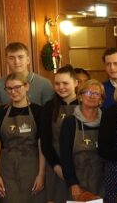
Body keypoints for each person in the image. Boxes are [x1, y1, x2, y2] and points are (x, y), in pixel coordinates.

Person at [0, 72, 47, 203]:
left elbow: (42, 144)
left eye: (17, 87)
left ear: (26, 86)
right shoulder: (0, 112)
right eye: (9, 88)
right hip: (7, 170)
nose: (13, 92)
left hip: (32, 168)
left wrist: (41, 174)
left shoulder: (39, 112)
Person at [59, 79, 104, 201]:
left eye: (96, 94)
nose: (91, 96)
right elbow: (65, 156)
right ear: (80, 97)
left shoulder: (107, 122)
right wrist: (73, 184)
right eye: (87, 92)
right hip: (78, 181)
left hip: (102, 181)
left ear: (101, 100)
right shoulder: (70, 122)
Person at [41, 65, 80, 203]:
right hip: (56, 166)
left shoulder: (86, 104)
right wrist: (57, 167)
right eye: (57, 84)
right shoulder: (49, 107)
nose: (61, 87)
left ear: (76, 83)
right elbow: (45, 142)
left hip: (82, 165)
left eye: (65, 83)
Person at [0, 42, 54, 107]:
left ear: (28, 60)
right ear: (7, 61)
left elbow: (50, 114)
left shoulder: (45, 84)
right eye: (11, 58)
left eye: (20, 57)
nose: (16, 61)